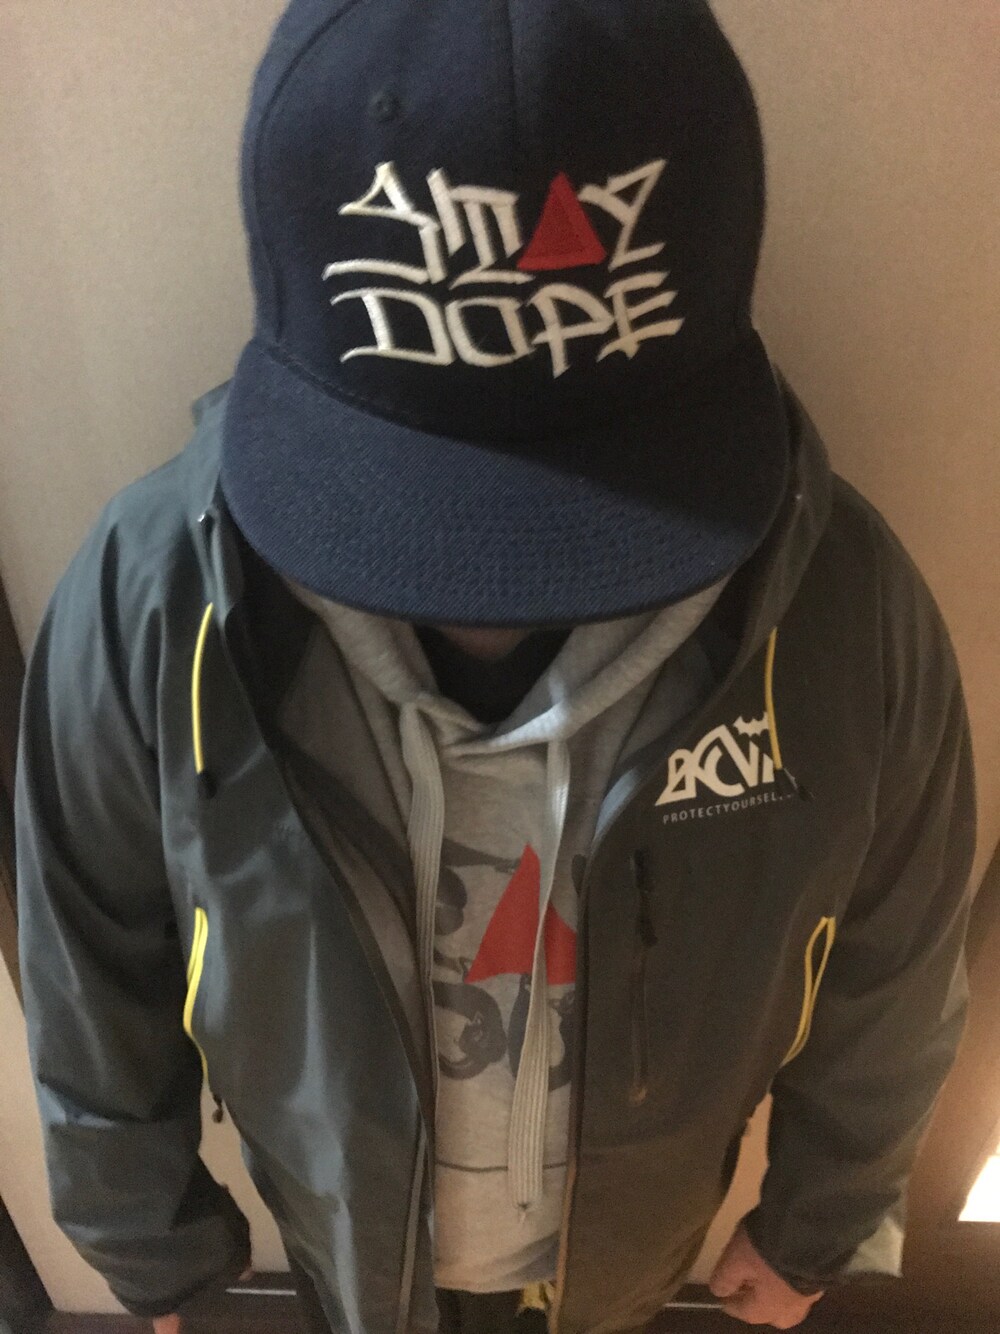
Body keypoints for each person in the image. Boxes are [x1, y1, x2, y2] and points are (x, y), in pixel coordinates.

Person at [15, 1, 977, 1332]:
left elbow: (898, 958)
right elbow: (90, 946)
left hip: (636, 1251)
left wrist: (822, 1215)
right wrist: (144, 1234)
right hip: (346, 1241)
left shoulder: (845, 614)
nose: (493, 609)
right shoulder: (153, 599)